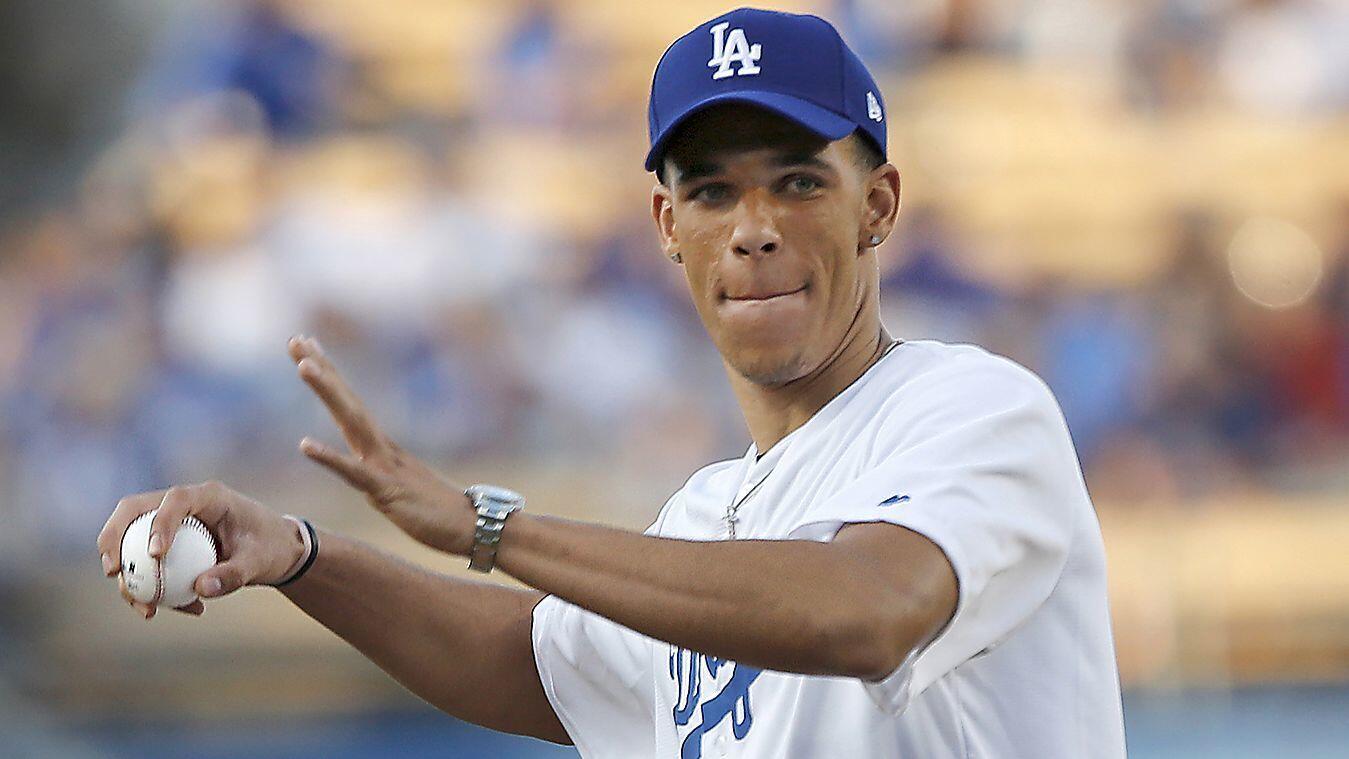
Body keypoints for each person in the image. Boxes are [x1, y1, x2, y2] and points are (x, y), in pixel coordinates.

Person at [96, 8, 1125, 758]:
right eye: (712, 191)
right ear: (666, 230)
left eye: (799, 181)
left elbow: (864, 612)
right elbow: (532, 662)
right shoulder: (701, 518)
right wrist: (301, 556)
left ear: (878, 204)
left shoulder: (972, 409)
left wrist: (489, 528)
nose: (753, 226)